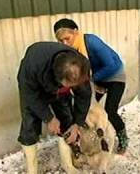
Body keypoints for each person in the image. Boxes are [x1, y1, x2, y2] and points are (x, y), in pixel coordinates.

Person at [53, 19, 129, 154]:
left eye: (67, 38)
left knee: (110, 111)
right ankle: (91, 138)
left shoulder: (91, 41)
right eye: (60, 40)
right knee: (86, 108)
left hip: (114, 75)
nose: (65, 43)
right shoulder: (69, 50)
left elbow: (110, 65)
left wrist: (91, 79)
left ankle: (123, 138)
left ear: (76, 32)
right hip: (96, 78)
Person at [17, 42, 92, 174]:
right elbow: (30, 96)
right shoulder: (33, 66)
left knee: (66, 120)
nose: (73, 88)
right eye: (69, 85)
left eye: (74, 85)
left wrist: (77, 124)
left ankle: (67, 164)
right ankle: (32, 170)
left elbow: (84, 95)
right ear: (58, 77)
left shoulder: (80, 67)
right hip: (33, 88)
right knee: (29, 125)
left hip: (59, 88)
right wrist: (48, 118)